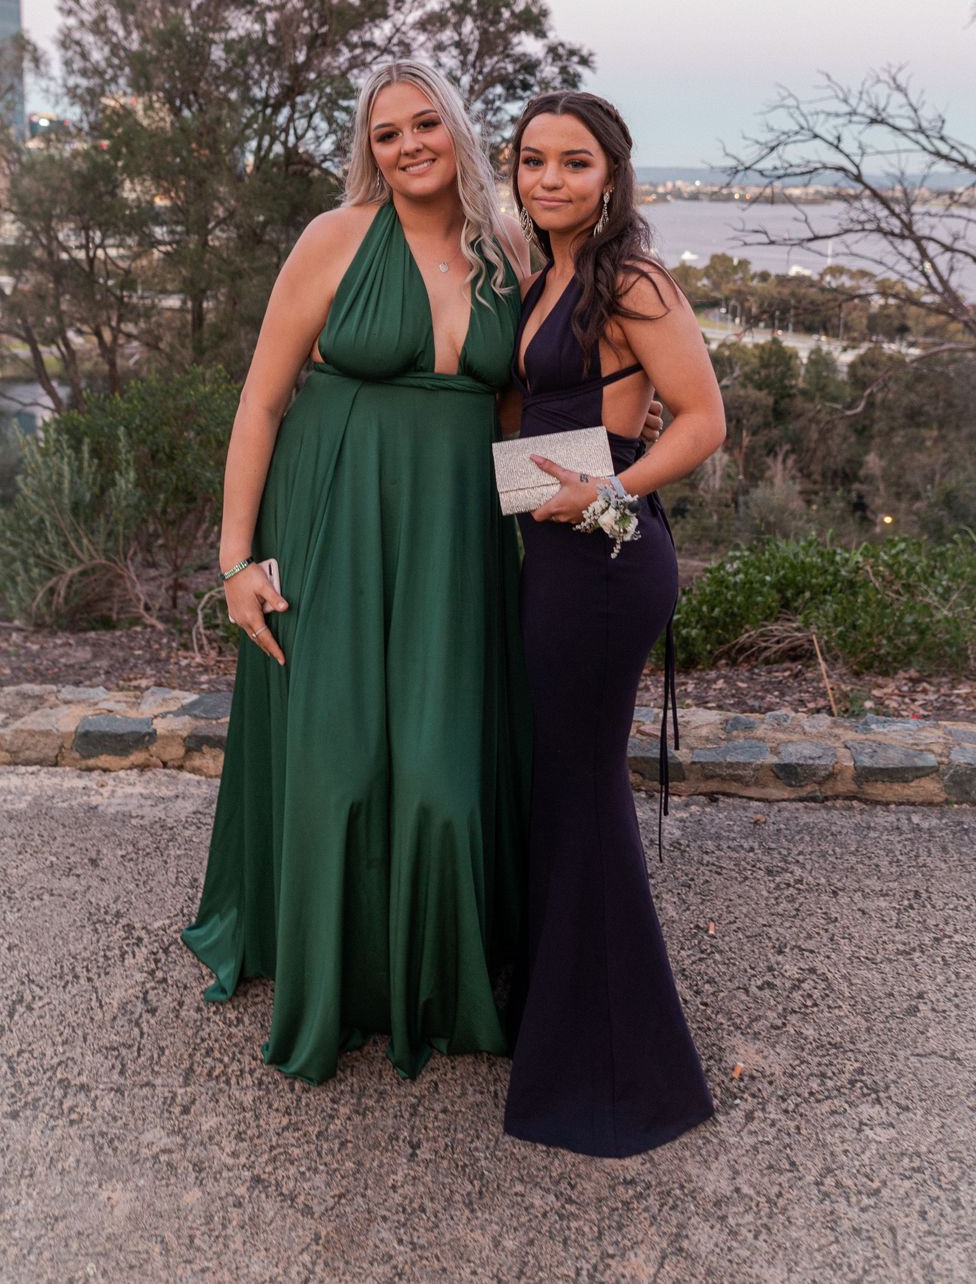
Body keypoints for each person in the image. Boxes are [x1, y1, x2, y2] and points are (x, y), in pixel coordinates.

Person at [181, 60, 536, 1085]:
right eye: (387, 134)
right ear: (369, 151)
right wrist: (235, 561)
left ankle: (436, 986)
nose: (410, 144)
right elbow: (261, 402)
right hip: (333, 516)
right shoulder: (334, 239)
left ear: (457, 129)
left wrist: (584, 505)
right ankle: (329, 979)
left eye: (425, 123)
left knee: (440, 780)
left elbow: (517, 414)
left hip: (455, 536)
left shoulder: (509, 249)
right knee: (338, 767)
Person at [502, 90, 726, 1157]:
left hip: (605, 560)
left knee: (585, 793)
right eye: (532, 160)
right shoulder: (542, 275)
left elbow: (703, 420)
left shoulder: (631, 280)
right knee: (561, 786)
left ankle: (624, 1078)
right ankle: (555, 1023)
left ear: (612, 176)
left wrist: (606, 494)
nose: (549, 179)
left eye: (574, 162)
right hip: (553, 555)